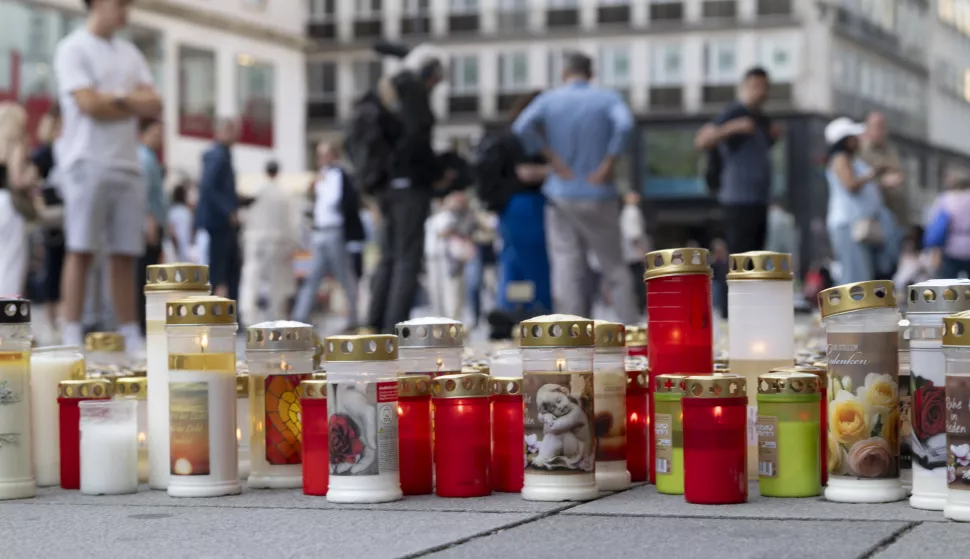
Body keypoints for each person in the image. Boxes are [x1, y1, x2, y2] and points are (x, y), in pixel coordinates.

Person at [53, 0, 161, 352]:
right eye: (119, 3)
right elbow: (88, 105)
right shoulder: (72, 48)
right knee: (80, 248)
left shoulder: (131, 52)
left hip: (126, 163)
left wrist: (112, 98)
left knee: (124, 254)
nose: (126, 10)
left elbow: (155, 104)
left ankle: (130, 332)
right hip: (87, 161)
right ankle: (71, 330)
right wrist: (129, 100)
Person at [511, 51, 637, 324]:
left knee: (567, 268)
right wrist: (608, 163)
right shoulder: (607, 98)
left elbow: (522, 126)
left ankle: (573, 336)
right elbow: (625, 124)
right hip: (599, 193)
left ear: (564, 74)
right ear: (591, 74)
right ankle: (630, 333)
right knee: (614, 268)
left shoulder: (550, 99)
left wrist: (551, 157)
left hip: (561, 194)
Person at [366, 51, 453, 332]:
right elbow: (419, 140)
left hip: (388, 189)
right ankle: (394, 329)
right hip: (410, 191)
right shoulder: (415, 93)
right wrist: (437, 174)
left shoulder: (391, 96)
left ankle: (375, 326)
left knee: (389, 258)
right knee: (407, 261)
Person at [474, 91, 552, 314]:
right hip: (528, 204)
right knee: (534, 262)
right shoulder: (527, 138)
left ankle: (511, 308)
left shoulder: (505, 135)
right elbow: (527, 173)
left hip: (509, 207)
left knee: (513, 260)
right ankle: (536, 310)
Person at [695, 67, 782, 255]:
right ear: (745, 87)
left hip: (760, 198)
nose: (760, 91)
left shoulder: (762, 119)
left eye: (764, 86)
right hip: (738, 199)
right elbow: (702, 140)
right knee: (741, 258)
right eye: (756, 86)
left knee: (757, 257)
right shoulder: (735, 112)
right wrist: (732, 128)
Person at [292, 142, 364, 329]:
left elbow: (337, 201)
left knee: (344, 276)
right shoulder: (322, 177)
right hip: (320, 233)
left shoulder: (338, 175)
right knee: (313, 277)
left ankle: (353, 317)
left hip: (334, 232)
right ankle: (299, 318)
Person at [824, 117, 899, 285]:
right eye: (853, 137)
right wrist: (873, 173)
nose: (857, 140)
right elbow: (850, 184)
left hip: (858, 225)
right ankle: (848, 311)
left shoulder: (853, 160)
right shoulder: (840, 159)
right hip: (847, 224)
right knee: (853, 274)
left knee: (862, 272)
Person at [239, 161, 298, 325]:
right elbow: (293, 223)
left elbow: (244, 215)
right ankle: (277, 317)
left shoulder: (256, 190)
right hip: (278, 242)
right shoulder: (284, 194)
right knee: (277, 281)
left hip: (257, 240)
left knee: (252, 278)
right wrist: (292, 243)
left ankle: (247, 317)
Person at [197, 118, 241, 301]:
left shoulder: (223, 155)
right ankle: (215, 311)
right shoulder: (217, 155)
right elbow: (209, 187)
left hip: (223, 222)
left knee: (231, 267)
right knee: (219, 270)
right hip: (219, 223)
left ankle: (230, 312)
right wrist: (228, 210)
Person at [32, 105, 65, 333]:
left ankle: (62, 314)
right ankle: (51, 315)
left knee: (65, 264)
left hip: (68, 214)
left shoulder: (67, 152)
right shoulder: (44, 154)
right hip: (53, 217)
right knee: (53, 264)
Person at [0, 103, 36, 296]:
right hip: (9, 206)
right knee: (11, 262)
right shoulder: (16, 144)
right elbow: (18, 180)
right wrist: (31, 174)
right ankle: (7, 313)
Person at [136, 118, 165, 333]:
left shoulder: (150, 157)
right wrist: (150, 221)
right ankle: (142, 320)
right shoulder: (145, 158)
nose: (159, 137)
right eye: (155, 133)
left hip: (155, 221)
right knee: (145, 274)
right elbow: (145, 194)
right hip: (150, 223)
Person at [925, 169, 970, 279]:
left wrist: (935, 251)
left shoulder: (945, 199)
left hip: (949, 245)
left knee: (949, 286)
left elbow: (934, 224)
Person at [620, 191, 649, 312]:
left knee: (634, 281)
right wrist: (641, 252)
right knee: (639, 282)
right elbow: (634, 235)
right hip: (635, 254)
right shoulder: (632, 211)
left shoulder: (625, 212)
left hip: (629, 254)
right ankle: (639, 306)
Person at [167, 182, 195, 263]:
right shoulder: (187, 212)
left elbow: (171, 230)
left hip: (175, 248)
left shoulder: (172, 212)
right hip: (186, 249)